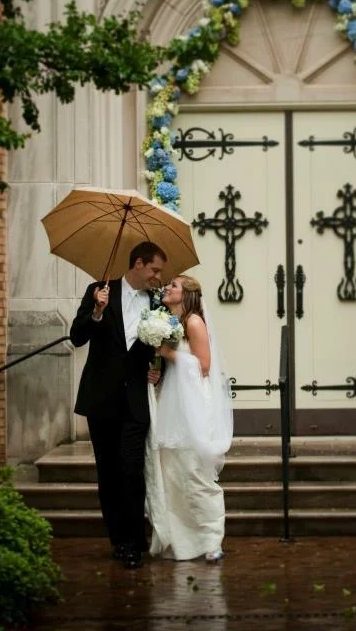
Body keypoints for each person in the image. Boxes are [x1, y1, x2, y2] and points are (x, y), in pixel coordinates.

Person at [69, 241, 166, 569]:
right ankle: (118, 538)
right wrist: (96, 311)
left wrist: (157, 369)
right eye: (155, 269)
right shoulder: (98, 290)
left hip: (135, 400)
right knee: (108, 473)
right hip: (101, 398)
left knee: (132, 469)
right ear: (138, 264)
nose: (158, 276)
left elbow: (162, 344)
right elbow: (77, 336)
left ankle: (134, 543)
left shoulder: (156, 300)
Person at [145, 275, 233, 562]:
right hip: (175, 403)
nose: (167, 288)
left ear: (187, 294)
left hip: (193, 407)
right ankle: (183, 540)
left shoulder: (194, 322)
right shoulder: (173, 324)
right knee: (175, 473)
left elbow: (204, 366)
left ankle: (211, 538)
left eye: (173, 286)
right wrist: (158, 369)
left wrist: (168, 354)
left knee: (195, 474)